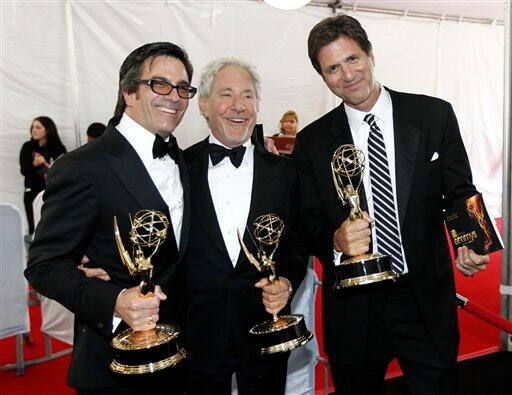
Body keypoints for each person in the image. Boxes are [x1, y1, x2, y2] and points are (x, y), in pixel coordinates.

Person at [293, 14, 489, 395]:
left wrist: (474, 242)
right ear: (322, 76)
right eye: (332, 68)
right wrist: (335, 240)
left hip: (423, 298)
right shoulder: (312, 142)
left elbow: (461, 190)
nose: (347, 75)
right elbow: (308, 220)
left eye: (352, 59)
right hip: (354, 306)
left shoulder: (434, 115)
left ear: (369, 54)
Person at [25, 42, 196, 395]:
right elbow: (44, 265)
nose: (175, 96)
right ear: (128, 92)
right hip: (114, 366)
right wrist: (114, 301)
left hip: (180, 359)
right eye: (160, 84)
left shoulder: (183, 160)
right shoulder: (83, 166)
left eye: (183, 88)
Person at [183, 58, 307, 395]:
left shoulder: (284, 172)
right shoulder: (179, 169)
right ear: (204, 104)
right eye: (226, 94)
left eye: (248, 96)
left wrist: (286, 280)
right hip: (198, 331)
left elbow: (297, 244)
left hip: (265, 326)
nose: (239, 106)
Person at [19, 116, 66, 236]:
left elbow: (64, 170)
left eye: (38, 127)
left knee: (54, 225)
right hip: (32, 192)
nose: (34, 130)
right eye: (33, 127)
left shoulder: (58, 148)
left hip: (53, 193)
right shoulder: (28, 147)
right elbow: (24, 170)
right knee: (34, 227)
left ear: (48, 130)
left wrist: (47, 165)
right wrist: (35, 164)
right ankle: (33, 252)